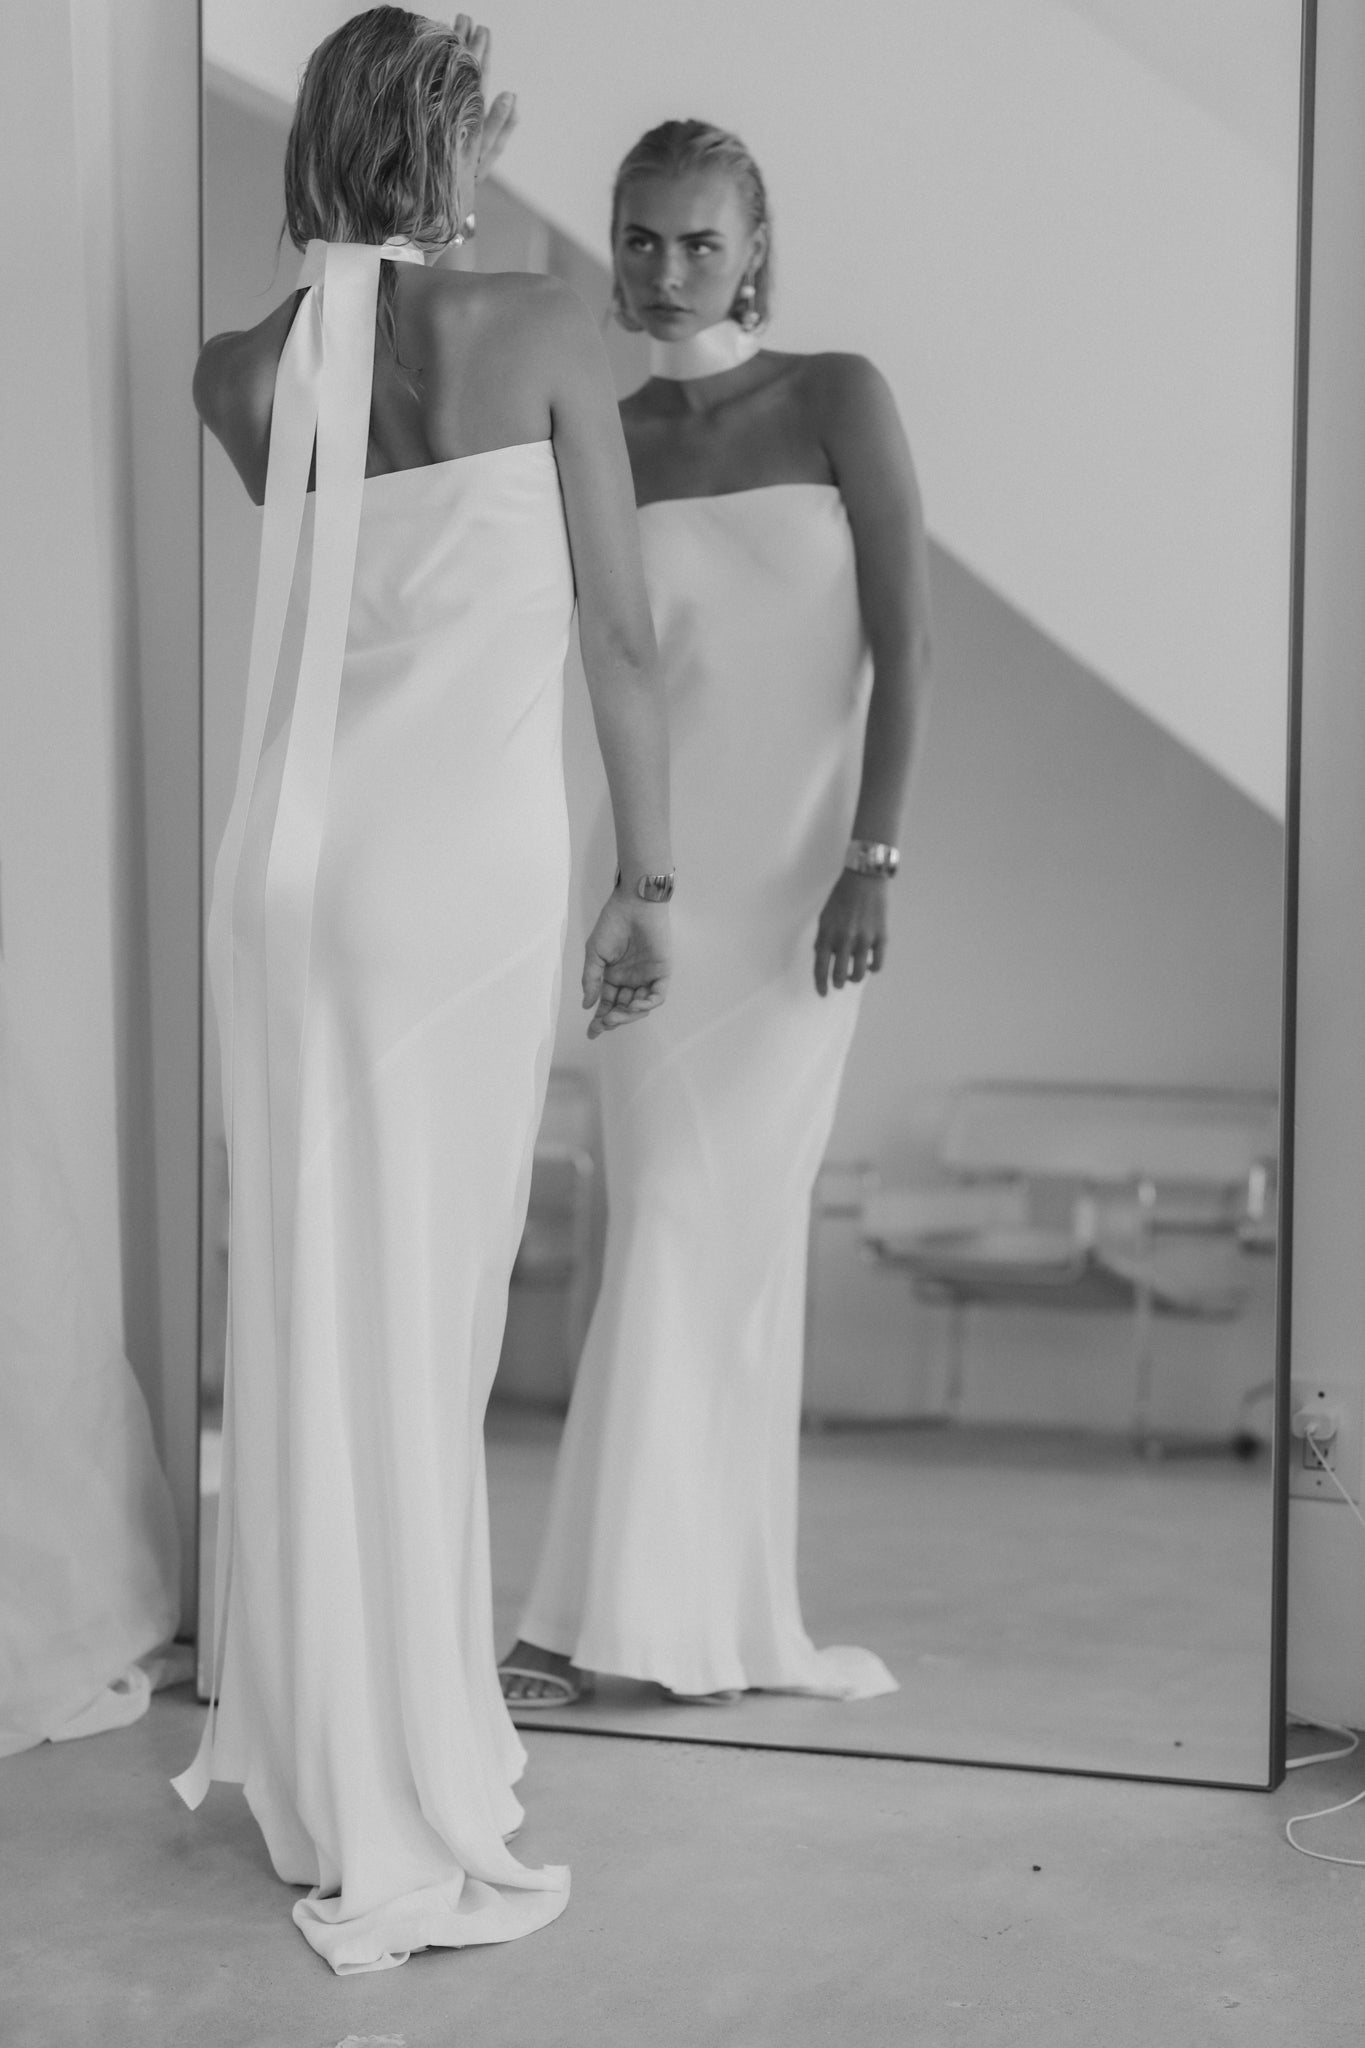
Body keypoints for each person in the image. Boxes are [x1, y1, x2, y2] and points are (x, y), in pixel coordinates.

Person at [172, 11, 672, 1973]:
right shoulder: (551, 328)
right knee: (424, 1312)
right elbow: (619, 639)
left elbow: (330, 615)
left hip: (282, 881)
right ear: (439, 144)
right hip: (454, 882)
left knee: (309, 1303)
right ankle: (403, 1746)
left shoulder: (235, 368)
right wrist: (645, 876)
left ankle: (319, 1740)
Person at [500, 120, 931, 1710]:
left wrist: (871, 859)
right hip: (658, 897)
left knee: (714, 1238)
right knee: (672, 1226)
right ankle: (659, 1618)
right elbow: (605, 674)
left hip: (803, 903)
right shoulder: (597, 435)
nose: (664, 270)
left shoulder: (838, 398)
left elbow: (911, 649)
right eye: (638, 236)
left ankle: (595, 1625)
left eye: (696, 240)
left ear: (752, 247)